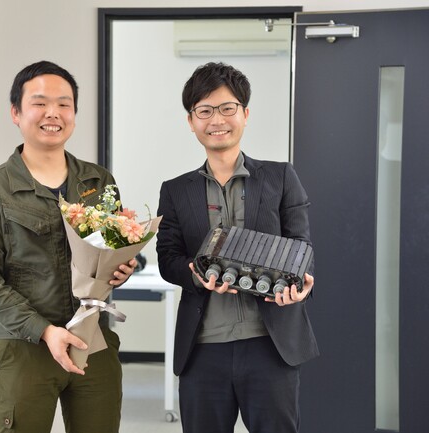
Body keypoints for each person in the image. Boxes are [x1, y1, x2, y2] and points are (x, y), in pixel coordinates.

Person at [0, 60, 136, 433]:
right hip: (26, 347)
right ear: (16, 113)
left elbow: (112, 249)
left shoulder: (98, 180)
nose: (53, 113)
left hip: (93, 342)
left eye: (64, 104)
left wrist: (122, 268)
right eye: (39, 103)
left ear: (74, 113)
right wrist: (44, 330)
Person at [156, 62, 319, 433]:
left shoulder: (280, 176)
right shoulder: (176, 190)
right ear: (191, 121)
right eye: (205, 110)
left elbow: (301, 245)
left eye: (227, 108)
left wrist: (302, 284)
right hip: (203, 347)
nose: (217, 120)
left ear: (245, 114)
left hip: (270, 345)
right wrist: (196, 274)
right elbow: (168, 259)